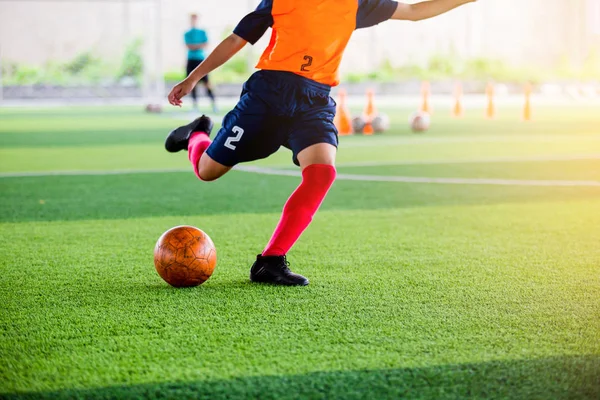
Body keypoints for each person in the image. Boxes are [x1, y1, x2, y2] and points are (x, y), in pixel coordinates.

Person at [166, 0, 477, 286]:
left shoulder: (357, 4)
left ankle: (270, 261)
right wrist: (193, 78)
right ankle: (197, 134)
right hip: (267, 96)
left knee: (322, 173)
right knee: (207, 170)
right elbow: (237, 39)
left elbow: (412, 12)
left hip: (314, 101)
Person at [184, 13, 217, 112]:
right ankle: (195, 106)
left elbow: (205, 44)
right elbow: (189, 46)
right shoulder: (187, 33)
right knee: (191, 83)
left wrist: (195, 46)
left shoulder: (202, 32)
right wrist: (198, 45)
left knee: (207, 82)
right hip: (191, 60)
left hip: (201, 60)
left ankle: (214, 104)